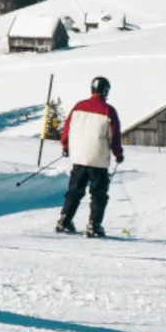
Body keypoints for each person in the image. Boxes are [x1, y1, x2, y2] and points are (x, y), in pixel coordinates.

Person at [56, 75, 123, 238]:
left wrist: (65, 146)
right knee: (98, 194)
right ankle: (94, 225)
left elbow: (67, 128)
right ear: (106, 91)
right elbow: (114, 136)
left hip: (78, 157)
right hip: (98, 159)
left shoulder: (78, 106)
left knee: (74, 191)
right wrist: (118, 154)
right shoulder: (109, 111)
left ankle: (64, 221)